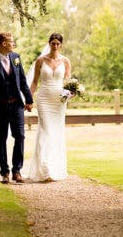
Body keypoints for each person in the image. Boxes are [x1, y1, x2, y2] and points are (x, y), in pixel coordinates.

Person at [0, 32, 34, 184]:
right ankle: (4, 172)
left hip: (17, 105)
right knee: (1, 139)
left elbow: (23, 80)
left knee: (20, 136)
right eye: (11, 42)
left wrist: (29, 100)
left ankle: (17, 171)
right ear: (3, 43)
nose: (14, 44)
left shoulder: (16, 57)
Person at [24, 32, 72, 182]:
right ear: (49, 43)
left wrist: (72, 93)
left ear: (61, 45)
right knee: (46, 130)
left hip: (59, 101)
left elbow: (68, 83)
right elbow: (34, 82)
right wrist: (29, 99)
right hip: (44, 98)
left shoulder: (65, 61)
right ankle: (45, 170)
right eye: (53, 43)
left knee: (56, 132)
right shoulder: (40, 61)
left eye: (58, 44)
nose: (55, 46)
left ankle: (54, 167)